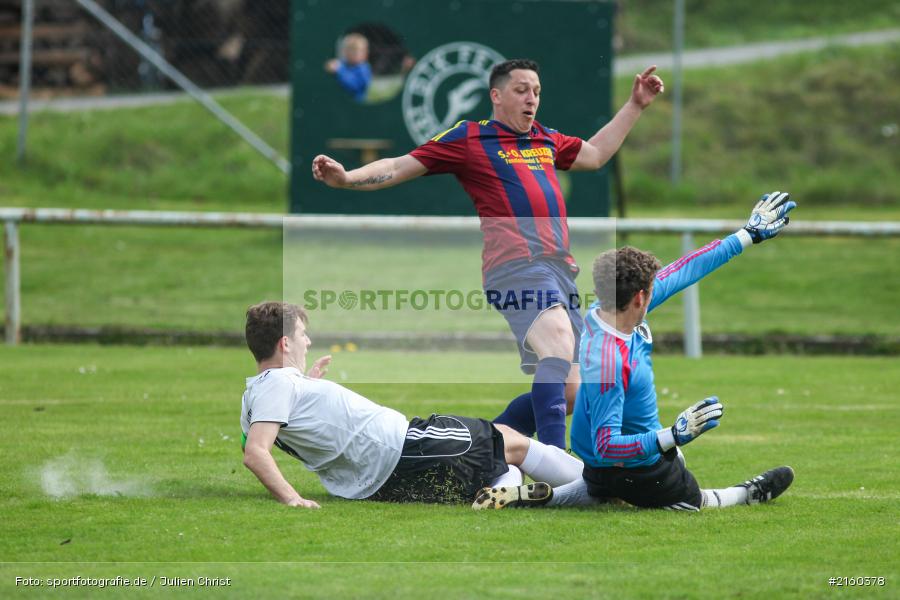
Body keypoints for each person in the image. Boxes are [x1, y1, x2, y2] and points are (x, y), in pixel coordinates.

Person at [312, 59, 664, 449]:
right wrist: (346, 179)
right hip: (517, 267)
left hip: (559, 270)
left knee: (571, 392)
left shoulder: (544, 139)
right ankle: (558, 467)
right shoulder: (470, 138)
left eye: (537, 91)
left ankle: (473, 448)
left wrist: (636, 105)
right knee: (560, 344)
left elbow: (595, 154)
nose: (532, 99)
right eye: (521, 90)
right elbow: (398, 166)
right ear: (496, 96)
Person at [474, 192, 798, 511]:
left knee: (614, 481)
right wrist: (673, 435)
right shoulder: (609, 361)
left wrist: (747, 235)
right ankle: (746, 494)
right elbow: (607, 445)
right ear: (640, 298)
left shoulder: (608, 310)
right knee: (692, 500)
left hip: (600, 466)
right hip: (630, 466)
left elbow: (686, 269)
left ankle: (550, 497)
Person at [240, 301, 585, 508]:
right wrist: (292, 498)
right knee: (508, 438)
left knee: (495, 462)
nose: (308, 340)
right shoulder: (278, 384)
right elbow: (255, 451)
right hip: (405, 448)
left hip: (378, 477)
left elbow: (278, 432)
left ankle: (504, 495)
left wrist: (308, 388)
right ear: (285, 343)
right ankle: (599, 485)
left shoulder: (257, 394)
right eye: (302, 335)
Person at [325, 33, 372, 102]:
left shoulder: (364, 69)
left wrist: (340, 70)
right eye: (351, 50)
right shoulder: (345, 63)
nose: (354, 54)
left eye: (360, 51)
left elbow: (354, 86)